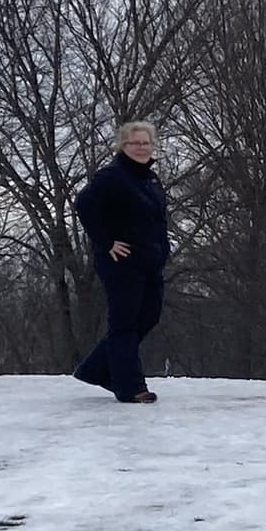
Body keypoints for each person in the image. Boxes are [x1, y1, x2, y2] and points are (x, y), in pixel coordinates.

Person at [72, 121, 171, 404]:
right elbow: (84, 205)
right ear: (122, 146)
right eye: (135, 143)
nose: (141, 148)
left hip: (150, 262)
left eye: (146, 143)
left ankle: (95, 369)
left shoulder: (150, 179)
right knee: (125, 323)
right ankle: (130, 387)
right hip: (122, 263)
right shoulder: (112, 176)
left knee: (149, 316)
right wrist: (107, 242)